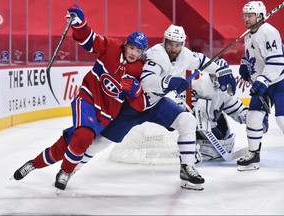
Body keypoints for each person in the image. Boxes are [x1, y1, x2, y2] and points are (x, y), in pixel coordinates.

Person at [68, 25, 237, 191]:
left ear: (182, 45)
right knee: (103, 141)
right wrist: (170, 82)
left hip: (156, 104)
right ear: (164, 41)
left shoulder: (185, 55)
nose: (173, 48)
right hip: (134, 104)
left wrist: (223, 71)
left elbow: (204, 61)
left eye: (177, 45)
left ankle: (187, 168)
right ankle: (71, 169)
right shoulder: (156, 55)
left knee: (187, 120)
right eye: (170, 43)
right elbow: (148, 82)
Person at [12, 5, 148, 191]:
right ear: (125, 45)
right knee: (84, 135)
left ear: (142, 54)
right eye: (131, 47)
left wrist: (136, 90)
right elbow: (90, 40)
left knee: (67, 144)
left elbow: (140, 105)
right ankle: (66, 171)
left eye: (138, 51)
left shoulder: (141, 71)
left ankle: (33, 164)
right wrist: (80, 24)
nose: (133, 53)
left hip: (106, 116)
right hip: (87, 98)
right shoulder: (111, 47)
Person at [236, 1, 284, 171]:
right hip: (261, 83)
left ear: (260, 16)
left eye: (249, 16)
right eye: (245, 16)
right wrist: (244, 64)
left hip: (278, 83)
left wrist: (262, 80)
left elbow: (277, 62)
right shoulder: (249, 34)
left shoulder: (269, 32)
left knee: (282, 120)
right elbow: (253, 54)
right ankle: (254, 155)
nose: (246, 19)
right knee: (253, 117)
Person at [191, 59, 268, 161]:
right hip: (196, 125)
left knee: (224, 134)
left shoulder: (224, 89)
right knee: (216, 135)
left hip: (209, 121)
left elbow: (236, 110)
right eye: (216, 74)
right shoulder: (201, 86)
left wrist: (254, 118)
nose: (219, 78)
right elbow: (196, 113)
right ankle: (192, 146)